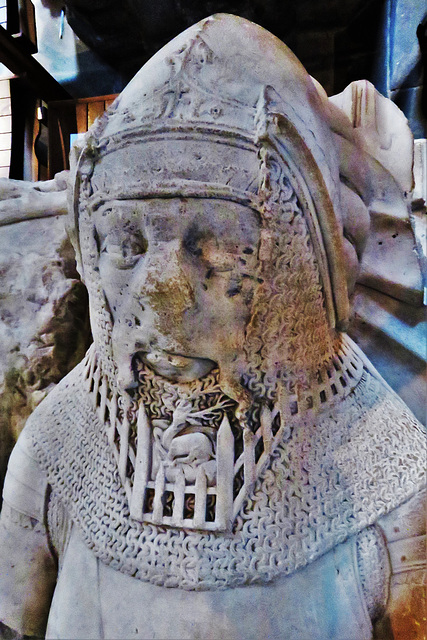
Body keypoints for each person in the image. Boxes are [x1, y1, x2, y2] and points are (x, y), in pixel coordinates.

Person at [0, 14, 425, 640]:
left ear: (303, 262)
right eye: (126, 244)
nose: (162, 296)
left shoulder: (385, 468)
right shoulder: (59, 446)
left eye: (221, 250)